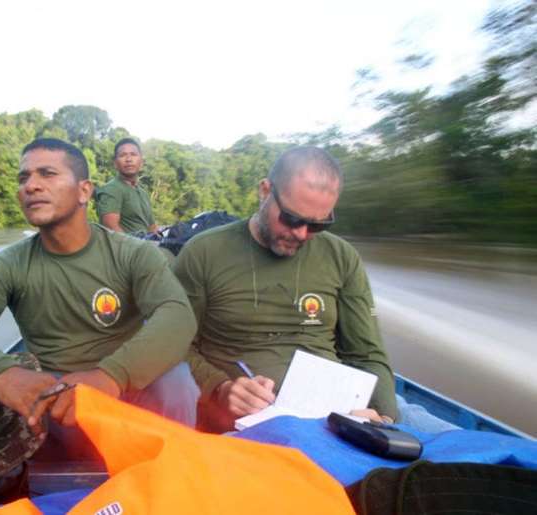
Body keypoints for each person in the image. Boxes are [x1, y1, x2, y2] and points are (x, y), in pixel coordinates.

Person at [0, 138, 199, 502]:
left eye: (47, 174)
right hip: (47, 405)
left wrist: (111, 377)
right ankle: (10, 491)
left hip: (123, 397)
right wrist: (3, 374)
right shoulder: (7, 265)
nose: (30, 185)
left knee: (177, 378)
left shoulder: (134, 254)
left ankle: (168, 484)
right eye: (23, 179)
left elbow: (176, 316)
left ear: (84, 191)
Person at [173, 146, 456, 433]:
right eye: (292, 219)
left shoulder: (341, 257)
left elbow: (367, 354)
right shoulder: (204, 252)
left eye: (318, 225)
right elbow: (174, 343)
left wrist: (384, 420)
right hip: (255, 421)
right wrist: (220, 387)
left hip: (345, 409)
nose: (301, 234)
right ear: (265, 191)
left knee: (472, 451)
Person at [95, 138, 159, 235]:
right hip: (127, 248)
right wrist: (138, 248)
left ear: (141, 162)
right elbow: (111, 228)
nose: (129, 159)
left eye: (133, 154)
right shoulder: (112, 189)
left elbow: (152, 227)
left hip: (148, 245)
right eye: (123, 155)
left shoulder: (143, 193)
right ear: (115, 164)